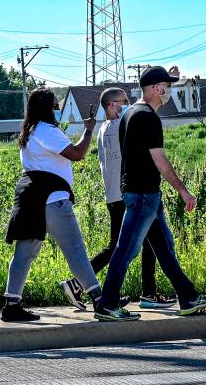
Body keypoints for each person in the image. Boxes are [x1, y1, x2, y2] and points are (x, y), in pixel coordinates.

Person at [94, 66, 206, 322]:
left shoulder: (129, 114)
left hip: (142, 193)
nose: (169, 90)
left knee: (164, 248)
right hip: (143, 195)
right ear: (155, 88)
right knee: (125, 250)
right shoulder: (147, 116)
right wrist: (184, 191)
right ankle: (107, 304)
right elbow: (159, 160)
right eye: (167, 85)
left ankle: (188, 296)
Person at [61, 87, 173, 310]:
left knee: (133, 243)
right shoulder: (121, 126)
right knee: (134, 244)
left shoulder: (104, 128)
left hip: (113, 194)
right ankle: (147, 293)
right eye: (124, 101)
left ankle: (80, 284)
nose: (128, 104)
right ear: (113, 105)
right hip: (128, 194)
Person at [0, 88, 106, 321]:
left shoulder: (29, 131)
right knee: (75, 250)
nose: (57, 110)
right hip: (53, 197)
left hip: (29, 196)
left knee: (25, 251)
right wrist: (89, 130)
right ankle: (100, 300)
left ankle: (12, 304)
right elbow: (77, 154)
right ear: (48, 108)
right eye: (56, 107)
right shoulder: (48, 131)